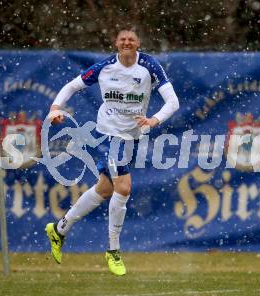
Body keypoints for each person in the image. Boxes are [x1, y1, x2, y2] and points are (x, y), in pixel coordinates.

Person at [45, 27, 180, 276]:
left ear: (138, 43)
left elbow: (173, 102)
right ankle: (113, 250)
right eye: (122, 39)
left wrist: (154, 120)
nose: (127, 42)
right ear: (116, 43)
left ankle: (60, 229)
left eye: (131, 39)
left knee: (105, 189)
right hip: (107, 135)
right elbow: (71, 86)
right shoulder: (104, 67)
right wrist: (55, 107)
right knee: (124, 187)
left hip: (130, 137)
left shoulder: (150, 66)